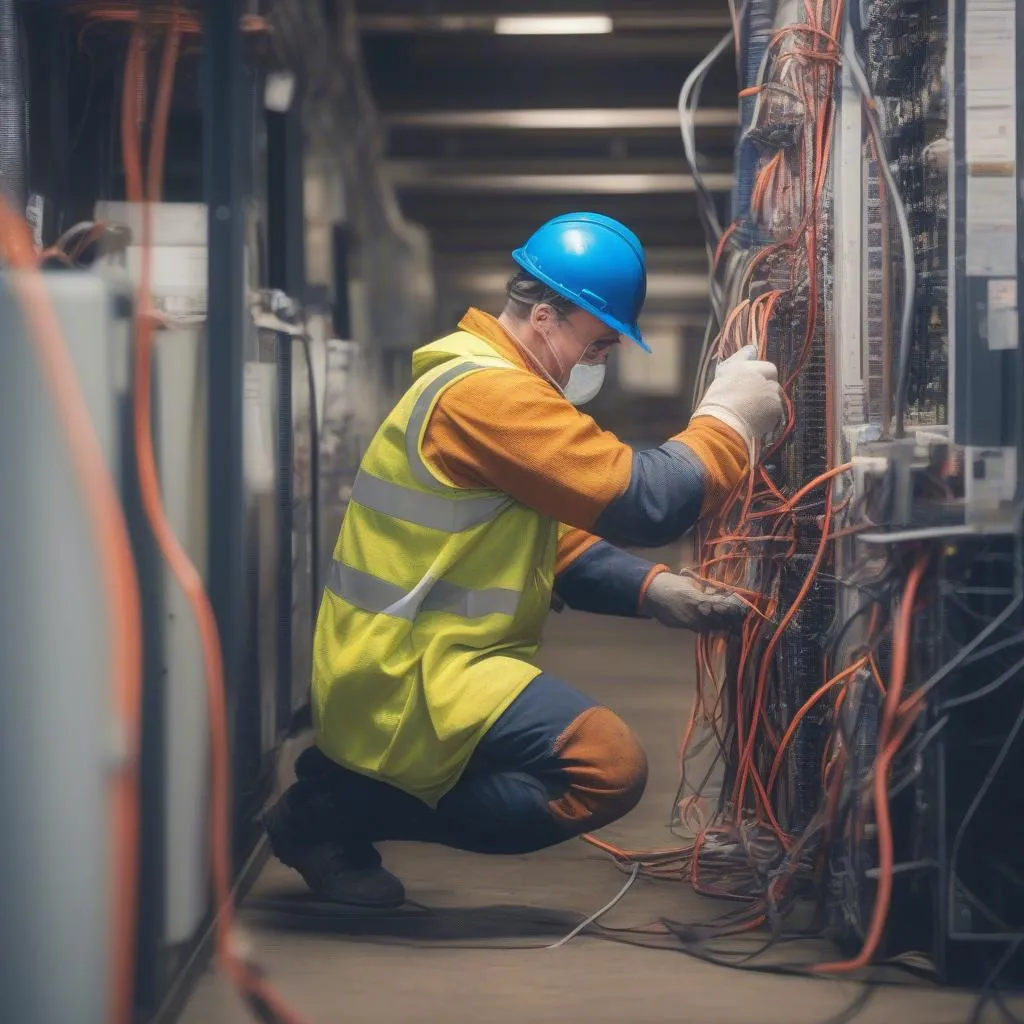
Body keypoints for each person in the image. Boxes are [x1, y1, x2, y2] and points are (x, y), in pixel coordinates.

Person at [263, 212, 785, 908]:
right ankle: (333, 811)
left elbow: (545, 540)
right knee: (606, 768)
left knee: (592, 761)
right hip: (408, 669)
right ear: (545, 316)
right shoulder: (489, 395)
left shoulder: (486, 381)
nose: (600, 362)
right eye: (598, 344)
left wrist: (655, 589)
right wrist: (729, 424)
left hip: (422, 655)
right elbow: (644, 501)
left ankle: (343, 792)